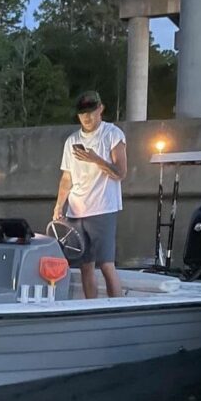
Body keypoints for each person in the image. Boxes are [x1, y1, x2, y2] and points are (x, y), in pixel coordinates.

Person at [53, 91, 127, 299]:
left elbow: (121, 173)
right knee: (85, 265)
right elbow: (67, 178)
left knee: (106, 264)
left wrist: (96, 159)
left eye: (91, 111)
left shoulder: (113, 134)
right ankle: (90, 306)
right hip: (76, 210)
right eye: (82, 113)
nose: (87, 117)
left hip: (103, 208)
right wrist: (59, 205)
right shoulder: (71, 141)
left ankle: (117, 308)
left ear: (100, 109)